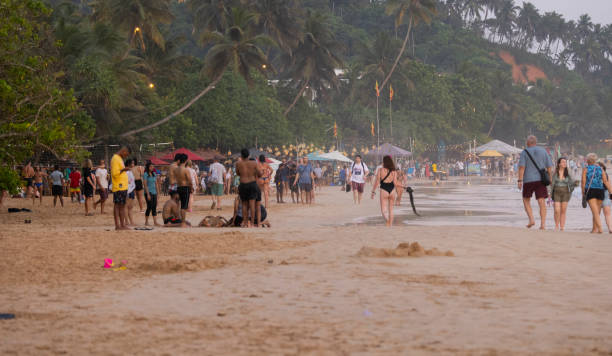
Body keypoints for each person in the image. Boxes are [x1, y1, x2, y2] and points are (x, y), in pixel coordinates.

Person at [518, 136, 554, 230]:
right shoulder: (543, 151)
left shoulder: (524, 152)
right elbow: (549, 167)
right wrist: (550, 179)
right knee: (541, 201)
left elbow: (522, 167)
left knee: (526, 200)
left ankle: (531, 220)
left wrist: (520, 180)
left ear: (527, 143)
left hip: (528, 180)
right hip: (540, 180)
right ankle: (543, 225)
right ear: (536, 142)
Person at [582, 154, 612, 234]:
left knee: (595, 212)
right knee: (597, 211)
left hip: (590, 190)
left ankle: (600, 229)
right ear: (595, 160)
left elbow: (583, 182)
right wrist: (610, 192)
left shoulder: (586, 169)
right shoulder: (601, 169)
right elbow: (605, 182)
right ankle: (594, 229)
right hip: (600, 191)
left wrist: (583, 192)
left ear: (587, 160)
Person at [371, 155, 402, 227]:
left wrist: (373, 191)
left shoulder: (380, 170)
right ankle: (390, 224)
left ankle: (388, 220)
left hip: (384, 190)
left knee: (383, 210)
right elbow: (395, 183)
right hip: (392, 190)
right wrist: (404, 186)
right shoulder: (394, 171)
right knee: (391, 209)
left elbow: (377, 182)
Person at [236, 148, 262, 227]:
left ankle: (245, 222)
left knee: (244, 204)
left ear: (241, 155)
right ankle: (251, 223)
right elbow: (259, 174)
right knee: (252, 204)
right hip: (252, 183)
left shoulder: (238, 163)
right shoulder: (254, 163)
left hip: (243, 184)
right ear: (249, 155)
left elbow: (238, 173)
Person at [550, 157, 576, 231]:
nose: (565, 163)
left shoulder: (568, 172)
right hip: (556, 192)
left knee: (563, 210)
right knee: (557, 210)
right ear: (559, 164)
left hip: (565, 193)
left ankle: (562, 227)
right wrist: (549, 193)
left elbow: (572, 182)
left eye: (565, 162)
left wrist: (573, 187)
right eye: (563, 162)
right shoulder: (555, 172)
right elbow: (551, 183)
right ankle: (556, 225)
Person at [111, 147, 131, 231]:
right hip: (118, 186)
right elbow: (115, 173)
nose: (126, 156)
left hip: (122, 186)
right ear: (124, 151)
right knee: (117, 206)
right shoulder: (115, 159)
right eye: (126, 154)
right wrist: (124, 169)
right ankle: (118, 225)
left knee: (122, 206)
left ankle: (122, 225)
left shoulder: (119, 158)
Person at [175, 154, 192, 222]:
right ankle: (183, 222)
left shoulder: (176, 169)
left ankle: (180, 220)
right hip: (185, 188)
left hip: (178, 187)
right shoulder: (185, 170)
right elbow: (190, 181)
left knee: (179, 205)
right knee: (184, 206)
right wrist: (191, 188)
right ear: (186, 160)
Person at [143, 161, 161, 226]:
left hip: (154, 192)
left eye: (153, 166)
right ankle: (146, 221)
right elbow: (145, 185)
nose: (152, 167)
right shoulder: (145, 174)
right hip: (148, 192)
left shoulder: (154, 174)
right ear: (148, 167)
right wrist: (147, 194)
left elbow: (156, 184)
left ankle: (155, 222)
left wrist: (158, 193)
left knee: (154, 207)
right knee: (149, 206)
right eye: (151, 166)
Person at [598, 163, 612, 234]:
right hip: (596, 194)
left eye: (601, 168)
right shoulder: (592, 175)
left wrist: (611, 194)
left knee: (607, 212)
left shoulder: (606, 174)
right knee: (597, 213)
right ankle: (598, 228)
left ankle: (610, 228)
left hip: (606, 193)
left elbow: (609, 184)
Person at [125, 159, 136, 226]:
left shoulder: (130, 171)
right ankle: (126, 221)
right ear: (129, 164)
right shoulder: (126, 172)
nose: (133, 165)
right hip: (127, 190)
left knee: (130, 207)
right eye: (132, 163)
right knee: (126, 206)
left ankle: (131, 221)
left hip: (131, 190)